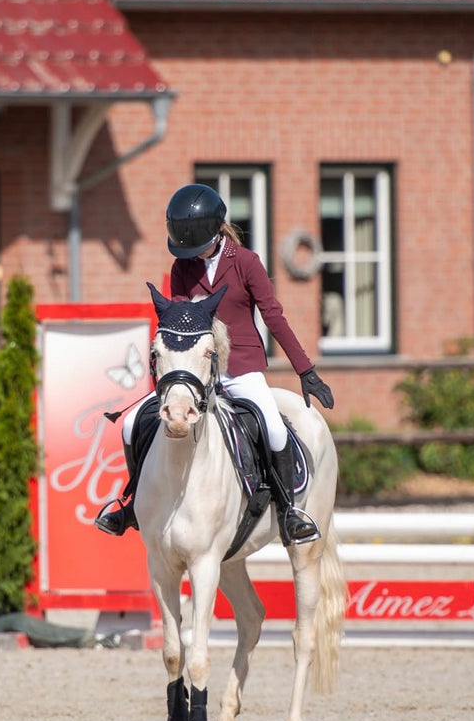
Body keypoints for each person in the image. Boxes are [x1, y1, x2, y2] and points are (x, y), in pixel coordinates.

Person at [95, 183, 334, 545]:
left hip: (240, 367)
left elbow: (273, 316)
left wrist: (306, 370)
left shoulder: (247, 263)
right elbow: (176, 323)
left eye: (198, 247)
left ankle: (289, 512)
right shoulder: (182, 267)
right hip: (195, 374)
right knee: (130, 425)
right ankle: (132, 505)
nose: (191, 256)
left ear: (218, 231)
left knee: (274, 429)